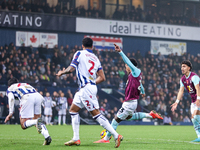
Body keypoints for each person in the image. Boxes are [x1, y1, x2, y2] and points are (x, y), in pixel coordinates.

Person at [56, 37, 123, 148]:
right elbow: (102, 77)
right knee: (73, 110)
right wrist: (91, 83)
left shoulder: (79, 53)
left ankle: (116, 135)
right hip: (87, 87)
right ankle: (76, 138)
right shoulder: (96, 58)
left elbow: (71, 69)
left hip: (86, 88)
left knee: (96, 114)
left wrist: (62, 72)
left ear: (82, 46)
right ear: (92, 46)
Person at [94, 43, 163, 143]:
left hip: (130, 103)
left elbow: (128, 62)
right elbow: (140, 84)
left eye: (126, 65)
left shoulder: (136, 71)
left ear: (129, 65)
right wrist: (143, 91)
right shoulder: (133, 75)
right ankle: (150, 115)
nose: (125, 67)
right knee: (130, 117)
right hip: (131, 102)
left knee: (116, 120)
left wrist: (120, 52)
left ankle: (106, 139)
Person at [4, 78, 52, 145]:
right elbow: (36, 93)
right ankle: (47, 137)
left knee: (23, 124)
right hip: (38, 97)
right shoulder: (25, 84)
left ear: (9, 85)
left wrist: (10, 113)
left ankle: (36, 121)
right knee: (37, 120)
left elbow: (11, 98)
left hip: (27, 97)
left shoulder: (10, 88)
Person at [171, 60, 200, 142]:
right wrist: (176, 102)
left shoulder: (194, 77)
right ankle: (199, 136)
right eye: (181, 66)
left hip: (199, 99)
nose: (182, 68)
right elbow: (181, 91)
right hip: (193, 101)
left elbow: (198, 88)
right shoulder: (183, 79)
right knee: (194, 119)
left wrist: (198, 99)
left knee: (195, 115)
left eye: (184, 66)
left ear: (189, 68)